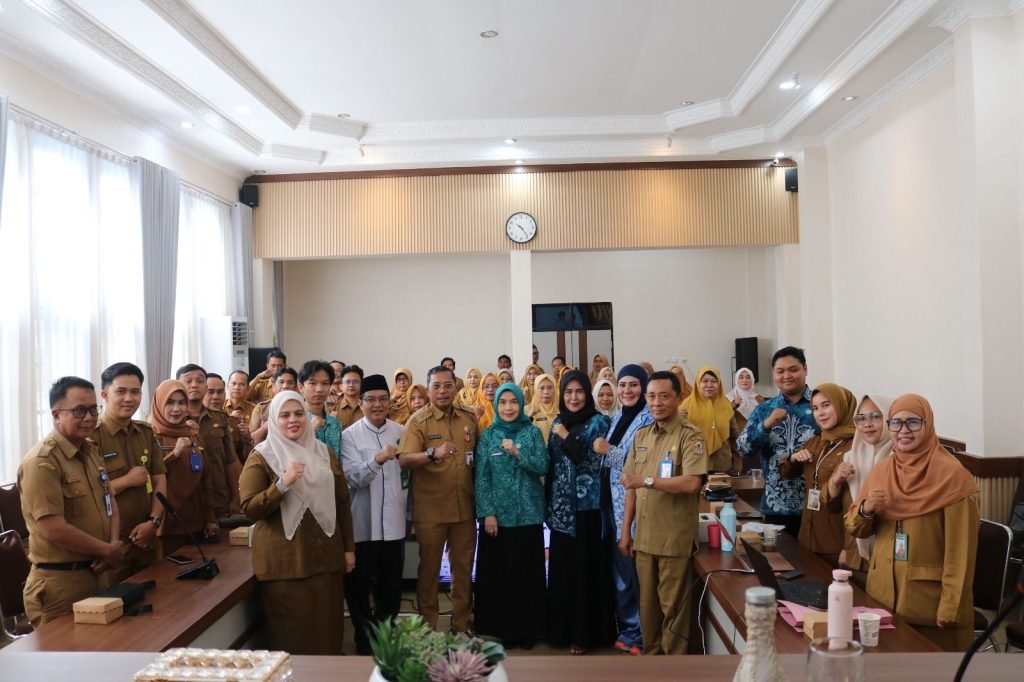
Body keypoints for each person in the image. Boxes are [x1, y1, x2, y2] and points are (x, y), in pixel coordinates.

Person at [845, 394, 979, 651]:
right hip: (881, 598)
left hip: (929, 607)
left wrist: (951, 607)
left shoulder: (954, 477)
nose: (903, 430)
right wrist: (866, 509)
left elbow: (960, 552)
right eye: (896, 423)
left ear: (928, 424)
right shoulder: (883, 470)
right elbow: (854, 527)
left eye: (913, 422)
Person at [240, 390, 356, 655]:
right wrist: (282, 483)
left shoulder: (324, 452)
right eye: (284, 415)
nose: (293, 420)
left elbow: (342, 502)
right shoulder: (262, 456)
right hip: (285, 565)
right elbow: (249, 508)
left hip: (326, 560)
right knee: (293, 640)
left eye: (298, 414)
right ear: (274, 420)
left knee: (328, 633)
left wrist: (348, 548)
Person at [19, 377, 123, 626]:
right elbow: (54, 529)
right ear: (56, 414)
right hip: (61, 584)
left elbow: (109, 502)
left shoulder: (90, 450)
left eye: (93, 409)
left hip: (98, 571)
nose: (89, 417)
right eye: (79, 410)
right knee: (65, 652)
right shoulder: (42, 462)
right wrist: (107, 551)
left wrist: (111, 545)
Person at [620, 370, 708, 655]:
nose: (656, 402)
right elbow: (630, 487)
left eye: (663, 396)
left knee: (674, 613)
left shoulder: (690, 435)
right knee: (648, 611)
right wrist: (625, 531)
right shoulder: (642, 435)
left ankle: (674, 668)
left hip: (673, 540)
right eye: (651, 396)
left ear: (678, 398)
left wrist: (647, 481)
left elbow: (692, 483)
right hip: (644, 540)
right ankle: (652, 664)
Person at [398, 366, 479, 634]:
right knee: (429, 572)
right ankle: (428, 628)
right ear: (428, 389)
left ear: (455, 388)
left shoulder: (468, 418)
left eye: (447, 385)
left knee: (463, 571)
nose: (442, 391)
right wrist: (432, 453)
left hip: (464, 509)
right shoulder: (418, 421)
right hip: (431, 511)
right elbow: (404, 460)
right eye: (436, 386)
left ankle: (461, 625)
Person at [474, 382, 549, 649]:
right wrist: (487, 513)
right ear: (496, 405)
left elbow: (543, 465)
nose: (508, 407)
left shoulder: (532, 433)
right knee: (502, 576)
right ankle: (504, 631)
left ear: (521, 403)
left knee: (527, 576)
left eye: (514, 402)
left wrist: (518, 453)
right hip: (498, 519)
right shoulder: (489, 436)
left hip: (529, 515)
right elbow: (482, 478)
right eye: (503, 402)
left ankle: (529, 630)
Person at [545, 370, 614, 655]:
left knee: (586, 573)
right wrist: (548, 505)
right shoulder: (557, 420)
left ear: (587, 394)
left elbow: (583, 456)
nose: (573, 397)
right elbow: (552, 464)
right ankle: (561, 632)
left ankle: (585, 635)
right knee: (564, 572)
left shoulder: (599, 422)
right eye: (568, 392)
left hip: (588, 509)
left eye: (579, 392)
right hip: (562, 510)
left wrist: (563, 434)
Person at [341, 374, 406, 655]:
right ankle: (364, 636)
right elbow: (352, 477)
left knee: (391, 587)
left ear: (390, 402)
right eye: (370, 400)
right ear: (360, 402)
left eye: (382, 399)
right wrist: (376, 459)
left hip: (394, 524)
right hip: (363, 525)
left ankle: (384, 637)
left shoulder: (402, 431)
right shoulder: (349, 436)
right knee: (358, 588)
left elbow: (408, 478)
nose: (377, 405)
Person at [595, 364, 652, 656]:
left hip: (633, 508)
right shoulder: (618, 416)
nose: (627, 390)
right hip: (610, 505)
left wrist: (609, 451)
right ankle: (628, 629)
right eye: (623, 385)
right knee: (621, 574)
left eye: (633, 385)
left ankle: (641, 633)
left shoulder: (649, 419)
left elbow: (642, 465)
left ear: (643, 388)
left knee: (635, 573)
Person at [94, 362, 167, 584]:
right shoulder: (92, 437)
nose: (129, 398)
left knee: (160, 598)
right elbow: (90, 494)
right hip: (111, 545)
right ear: (105, 395)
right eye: (121, 391)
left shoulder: (145, 432)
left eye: (135, 392)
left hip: (147, 538)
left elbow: (159, 480)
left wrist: (154, 522)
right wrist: (127, 481)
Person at [736, 346, 818, 537]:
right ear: (773, 374)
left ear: (805, 369)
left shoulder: (820, 405)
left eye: (793, 369)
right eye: (780, 371)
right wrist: (765, 425)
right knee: (779, 556)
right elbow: (743, 448)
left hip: (815, 506)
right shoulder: (764, 409)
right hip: (775, 506)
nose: (787, 375)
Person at [779, 383, 857, 566]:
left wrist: (849, 548)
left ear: (842, 405)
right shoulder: (816, 441)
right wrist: (793, 459)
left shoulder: (856, 446)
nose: (820, 413)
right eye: (815, 408)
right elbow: (785, 473)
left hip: (836, 542)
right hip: (807, 536)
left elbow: (856, 501)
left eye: (826, 405)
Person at [149, 379, 217, 556]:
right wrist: (175, 454)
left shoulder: (193, 435)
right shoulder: (150, 436)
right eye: (170, 403)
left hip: (195, 522)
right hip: (165, 526)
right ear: (159, 404)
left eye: (181, 403)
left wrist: (210, 518)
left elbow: (206, 481)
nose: (176, 409)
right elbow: (148, 479)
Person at [178, 364, 240, 520]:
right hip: (184, 501)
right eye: (188, 381)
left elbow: (231, 461)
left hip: (218, 497)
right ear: (178, 386)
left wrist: (236, 497)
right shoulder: (171, 419)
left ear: (205, 386)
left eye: (199, 381)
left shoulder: (219, 417)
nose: (194, 385)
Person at [844, 394, 893, 568]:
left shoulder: (900, 458)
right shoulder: (850, 458)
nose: (867, 424)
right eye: (861, 418)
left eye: (876, 416)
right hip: (855, 552)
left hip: (890, 550)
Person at [680, 366, 740, 474]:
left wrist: (737, 466)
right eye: (705, 381)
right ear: (698, 383)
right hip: (694, 467)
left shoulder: (725, 406)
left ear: (719, 383)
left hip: (722, 467)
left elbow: (735, 437)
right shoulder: (686, 406)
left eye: (714, 381)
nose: (709, 385)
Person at [299, 360, 343, 456]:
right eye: (312, 383)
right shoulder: (295, 421)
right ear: (301, 387)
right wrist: (310, 430)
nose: (319, 389)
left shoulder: (335, 424)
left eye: (325, 383)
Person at [250, 367, 299, 444]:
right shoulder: (261, 408)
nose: (285, 386)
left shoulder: (301, 408)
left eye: (290, 383)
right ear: (273, 387)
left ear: (296, 388)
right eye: (281, 382)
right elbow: (252, 441)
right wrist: (266, 426)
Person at [225, 370, 256, 464]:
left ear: (248, 388)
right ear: (227, 386)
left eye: (242, 384)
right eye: (234, 383)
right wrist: (230, 418)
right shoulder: (219, 407)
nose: (237, 387)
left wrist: (248, 434)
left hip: (246, 457)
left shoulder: (255, 409)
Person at [527, 373, 559, 443]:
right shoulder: (527, 410)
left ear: (555, 389)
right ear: (536, 389)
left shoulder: (562, 409)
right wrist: (529, 416)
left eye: (550, 387)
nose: (546, 392)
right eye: (541, 388)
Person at [334, 365, 364, 429]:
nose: (351, 385)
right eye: (347, 382)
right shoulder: (333, 408)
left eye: (355, 382)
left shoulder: (368, 407)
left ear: (362, 384)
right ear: (341, 386)